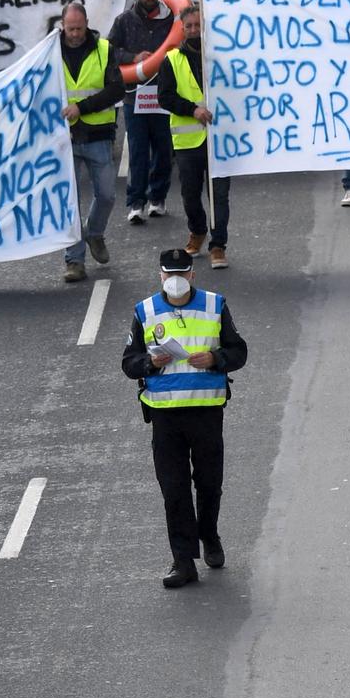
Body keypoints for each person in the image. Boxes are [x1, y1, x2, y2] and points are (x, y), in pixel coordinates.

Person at [120, 245, 248, 587]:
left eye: (181, 274)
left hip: (206, 412)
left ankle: (210, 536)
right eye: (168, 274)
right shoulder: (145, 311)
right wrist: (150, 363)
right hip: (165, 417)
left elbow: (239, 351)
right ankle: (183, 561)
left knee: (209, 484)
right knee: (173, 489)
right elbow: (128, 363)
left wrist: (216, 358)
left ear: (192, 274)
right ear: (160, 276)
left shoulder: (213, 305)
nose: (174, 280)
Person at [151, 0, 231, 267]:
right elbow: (165, 97)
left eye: (198, 25)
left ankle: (218, 244)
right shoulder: (172, 60)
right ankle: (197, 230)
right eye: (190, 26)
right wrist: (192, 109)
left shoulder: (220, 57)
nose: (194, 30)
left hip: (219, 140)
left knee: (219, 195)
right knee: (190, 196)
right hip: (188, 143)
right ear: (182, 29)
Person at [59, 0, 125, 284]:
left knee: (107, 195)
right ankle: (74, 261)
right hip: (64, 138)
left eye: (79, 28)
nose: (74, 34)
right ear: (62, 25)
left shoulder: (104, 50)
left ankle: (94, 233)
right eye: (70, 28)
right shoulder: (50, 52)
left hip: (98, 135)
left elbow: (116, 89)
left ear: (87, 23)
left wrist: (82, 107)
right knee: (70, 201)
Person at [110, 0, 176, 225]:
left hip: (162, 93)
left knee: (163, 149)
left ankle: (157, 198)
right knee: (138, 151)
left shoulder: (170, 20)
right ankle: (136, 202)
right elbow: (110, 50)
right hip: (134, 95)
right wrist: (132, 58)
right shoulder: (124, 21)